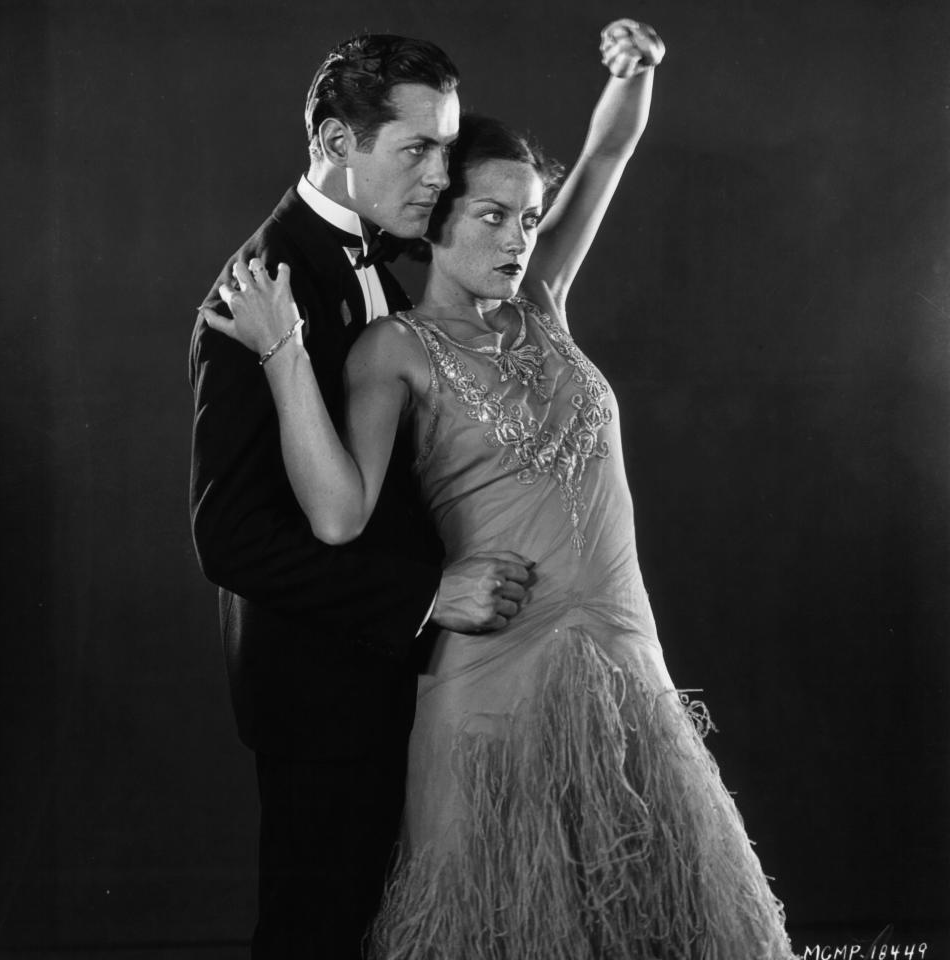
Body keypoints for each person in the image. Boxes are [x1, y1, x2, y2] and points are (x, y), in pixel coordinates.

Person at [202, 18, 798, 960]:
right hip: (482, 675)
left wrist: (636, 68)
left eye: (529, 217)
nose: (521, 238)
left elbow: (607, 154)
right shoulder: (389, 346)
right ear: (435, 222)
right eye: (492, 214)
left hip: (624, 671)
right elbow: (328, 515)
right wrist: (281, 351)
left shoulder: (540, 301)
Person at [188, 34, 534, 960]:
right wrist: (424, 596)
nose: (438, 176)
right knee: (318, 937)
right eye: (415, 150)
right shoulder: (256, 288)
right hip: (322, 697)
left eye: (445, 151)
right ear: (337, 142)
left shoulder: (386, 257)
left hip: (410, 675)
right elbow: (229, 540)